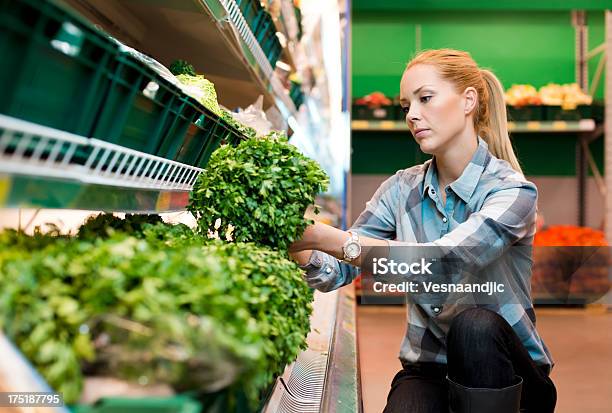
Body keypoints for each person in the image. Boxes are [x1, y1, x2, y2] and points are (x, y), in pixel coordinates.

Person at [289, 49, 557, 413]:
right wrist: (294, 236)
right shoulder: (401, 189)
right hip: (430, 368)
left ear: (468, 101)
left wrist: (324, 235)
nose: (412, 115)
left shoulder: (512, 191)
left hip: (511, 375)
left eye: (425, 98)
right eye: (405, 105)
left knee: (474, 326)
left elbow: (445, 264)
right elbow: (334, 270)